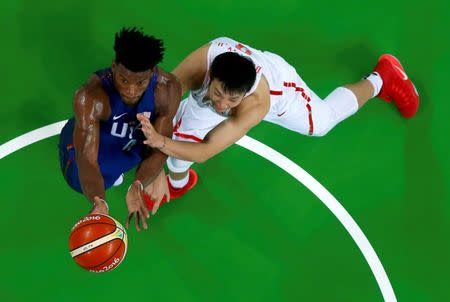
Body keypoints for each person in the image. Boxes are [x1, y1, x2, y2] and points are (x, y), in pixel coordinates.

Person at [138, 37, 419, 213]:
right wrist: (157, 168)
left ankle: (383, 78)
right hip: (218, 86)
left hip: (281, 91)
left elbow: (206, 151)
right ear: (210, 77)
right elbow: (164, 102)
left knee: (321, 123)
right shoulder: (201, 63)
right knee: (178, 132)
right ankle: (179, 183)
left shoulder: (256, 104)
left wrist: (159, 153)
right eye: (219, 94)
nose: (222, 105)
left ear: (243, 95)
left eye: (231, 100)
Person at [58, 27, 181, 231]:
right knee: (80, 180)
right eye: (124, 80)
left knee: (149, 148)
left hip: (131, 143)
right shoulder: (90, 97)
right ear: (114, 66)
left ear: (152, 73)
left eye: (140, 83)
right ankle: (113, 178)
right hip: (98, 148)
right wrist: (99, 203)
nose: (131, 90)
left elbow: (160, 146)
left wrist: (138, 183)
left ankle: (123, 175)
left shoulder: (167, 88)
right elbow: (87, 158)